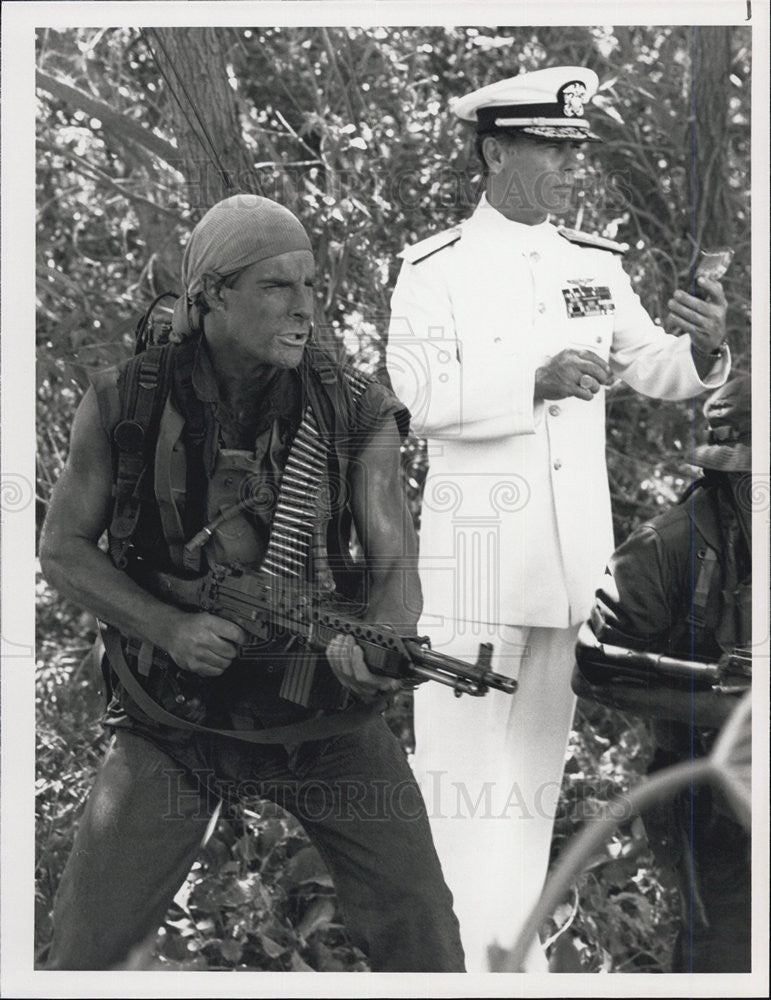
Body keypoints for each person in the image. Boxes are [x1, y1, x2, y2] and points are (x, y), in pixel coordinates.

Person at [39, 194, 465, 972]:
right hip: (173, 717)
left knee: (422, 928)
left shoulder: (352, 405)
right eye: (277, 287)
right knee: (86, 951)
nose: (304, 308)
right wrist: (165, 626)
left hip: (322, 719)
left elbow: (394, 556)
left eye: (311, 286)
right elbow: (64, 548)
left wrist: (384, 640)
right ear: (210, 296)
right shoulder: (123, 400)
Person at [385, 66, 730, 970]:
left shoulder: (591, 264)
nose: (574, 168)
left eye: (576, 151)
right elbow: (411, 396)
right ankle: (462, 966)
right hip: (473, 567)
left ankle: (509, 957)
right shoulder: (435, 268)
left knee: (530, 788)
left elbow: (655, 366)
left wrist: (702, 346)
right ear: (496, 152)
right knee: (462, 787)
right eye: (553, 150)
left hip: (565, 567)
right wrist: (526, 384)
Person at [574, 374, 752, 972]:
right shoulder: (664, 550)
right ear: (732, 475)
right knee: (724, 950)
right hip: (704, 787)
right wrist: (731, 712)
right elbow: (593, 670)